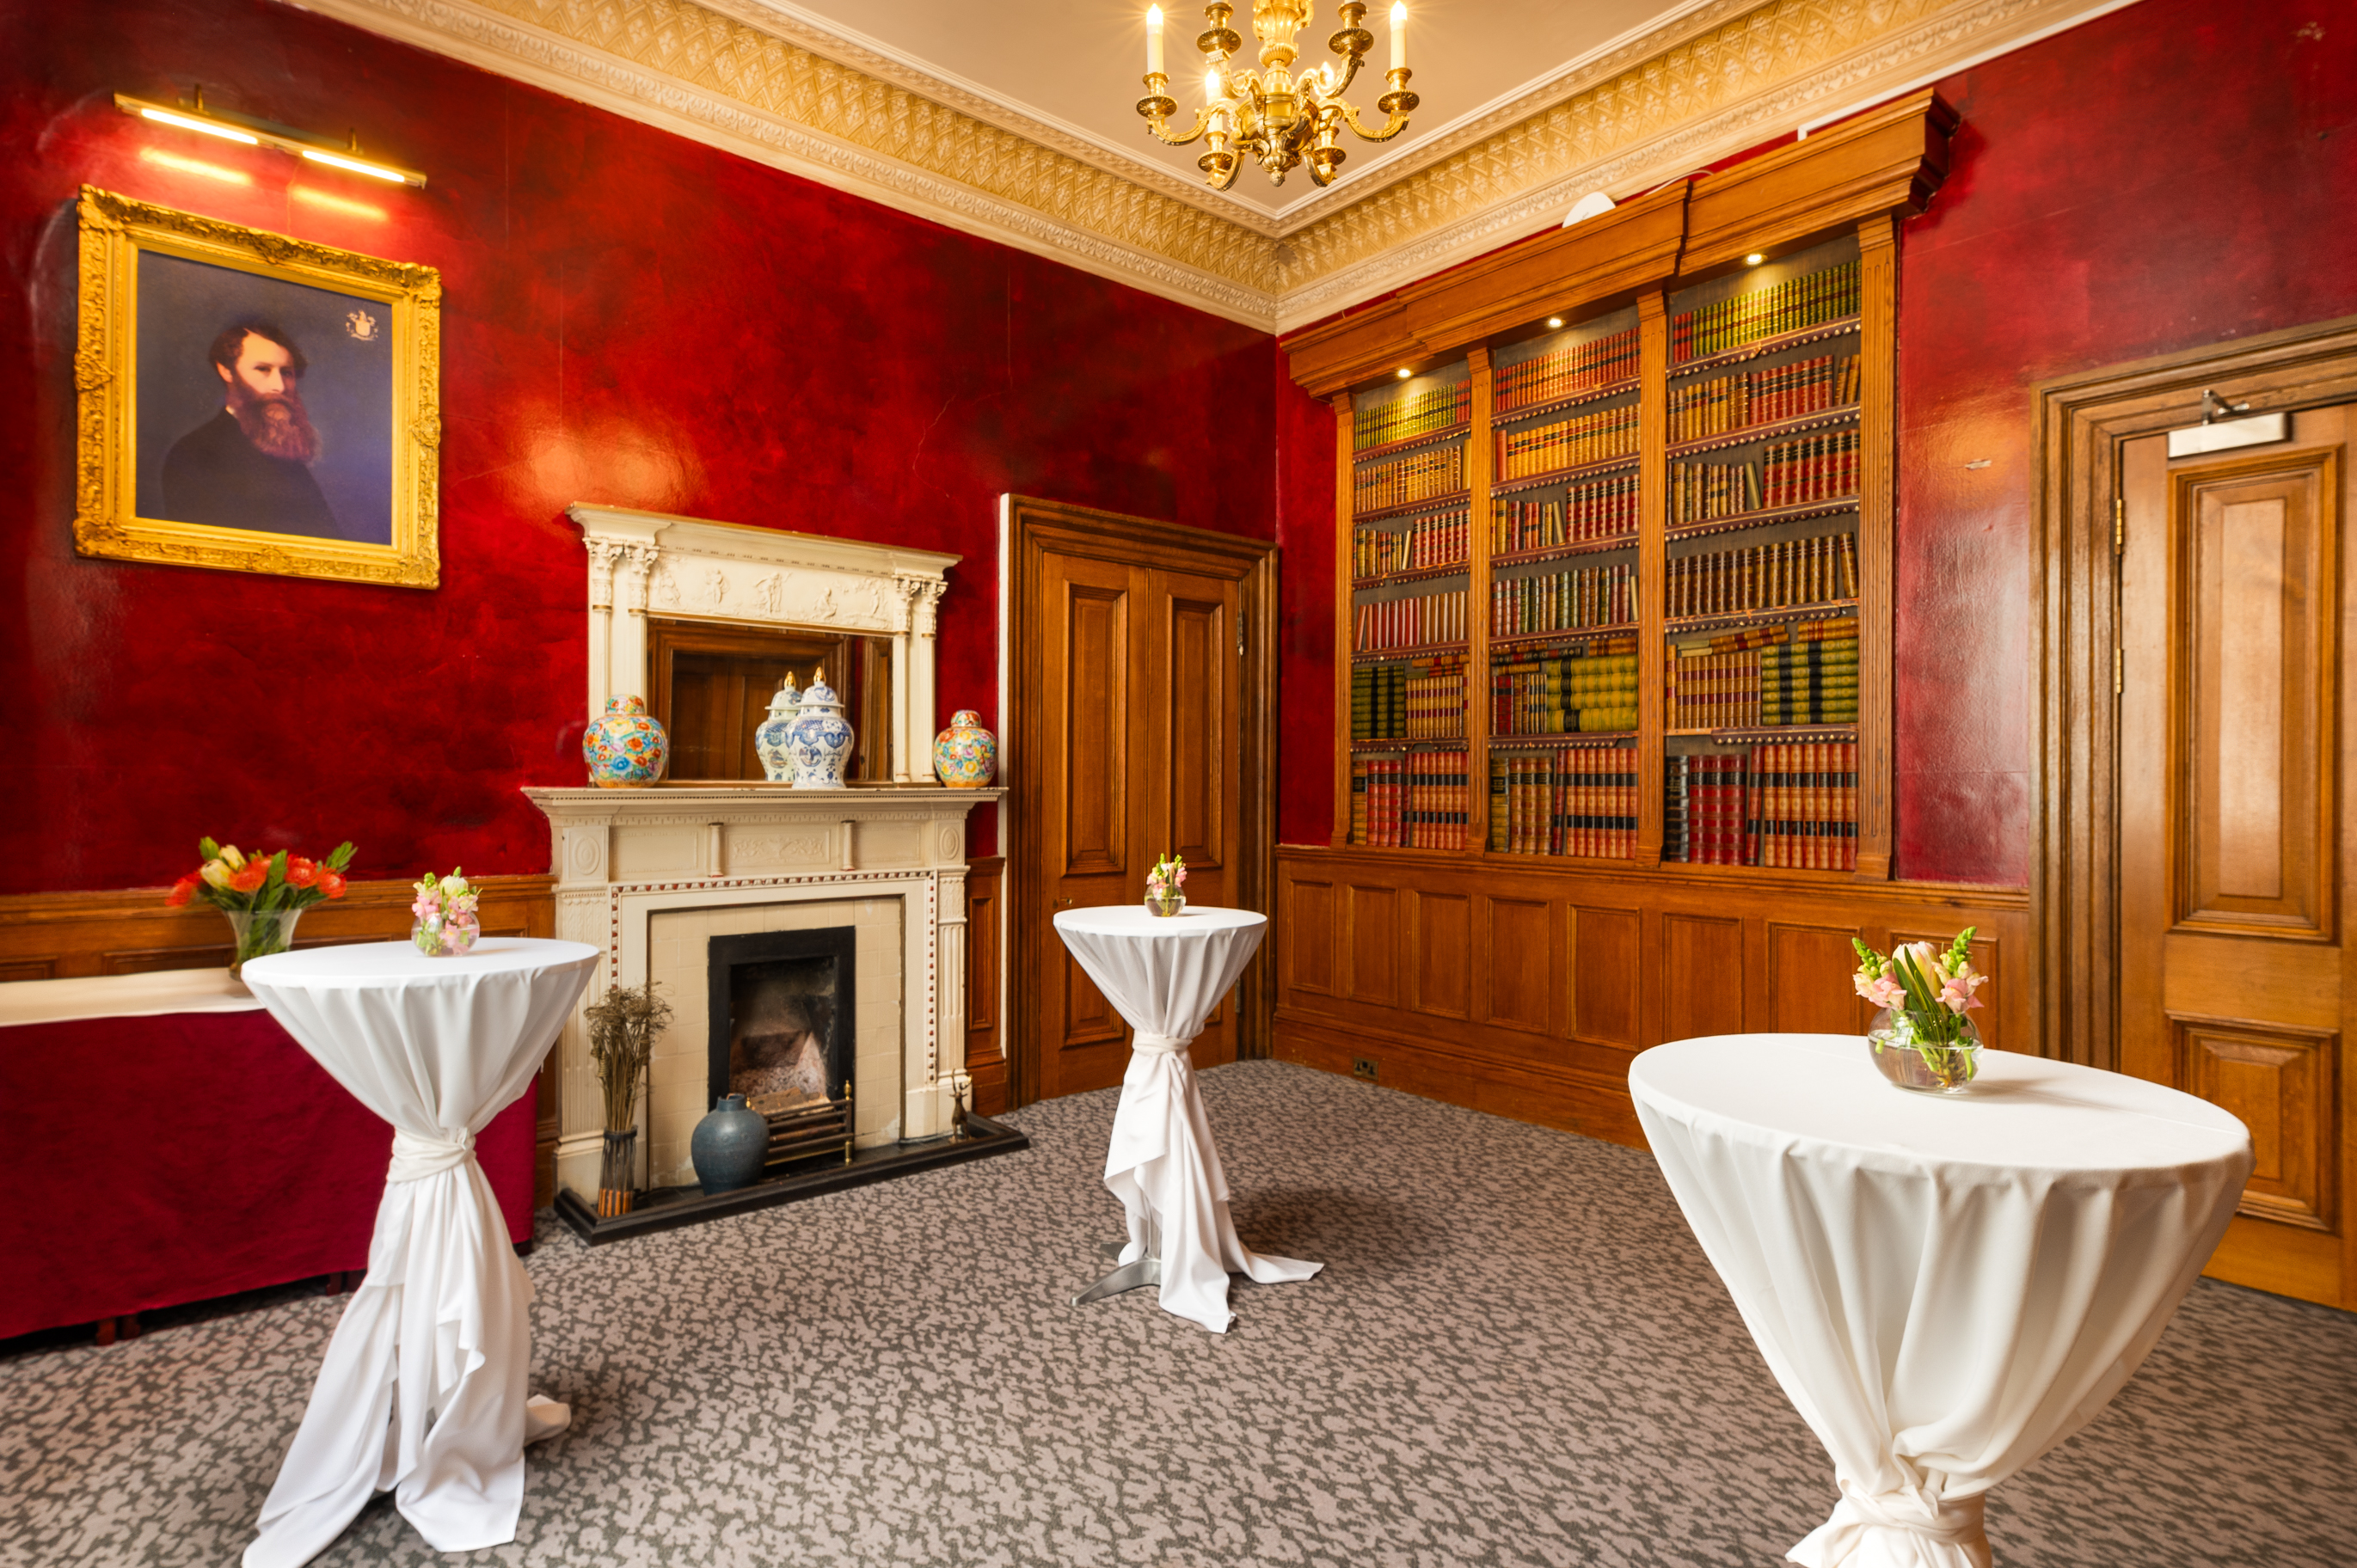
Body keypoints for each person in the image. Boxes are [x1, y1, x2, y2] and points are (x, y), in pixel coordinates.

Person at [158, 318, 341, 537]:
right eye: (263, 369)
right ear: (226, 370)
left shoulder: (282, 449)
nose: (279, 386)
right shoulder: (194, 451)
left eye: (286, 373)